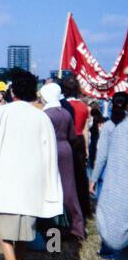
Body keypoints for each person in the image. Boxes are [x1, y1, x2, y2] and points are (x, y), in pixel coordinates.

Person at [0, 70, 63, 260]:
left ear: (13, 92)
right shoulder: (41, 117)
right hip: (30, 181)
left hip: (4, 179)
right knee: (24, 227)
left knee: (2, 225)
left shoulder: (2, 112)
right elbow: (49, 153)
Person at [40, 83, 85, 240]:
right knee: (69, 188)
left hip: (51, 150)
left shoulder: (45, 115)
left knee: (51, 187)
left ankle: (54, 231)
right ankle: (77, 226)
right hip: (66, 149)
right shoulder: (65, 112)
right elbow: (73, 135)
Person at [90, 92, 128, 260]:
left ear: (112, 104)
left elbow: (101, 156)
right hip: (123, 175)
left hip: (111, 176)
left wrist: (93, 179)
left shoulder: (108, 126)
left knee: (110, 213)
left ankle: (108, 248)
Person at [63, 76, 91, 219]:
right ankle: (83, 208)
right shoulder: (84, 107)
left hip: (67, 140)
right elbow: (86, 130)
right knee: (80, 176)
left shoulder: (63, 106)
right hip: (80, 140)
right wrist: (86, 148)